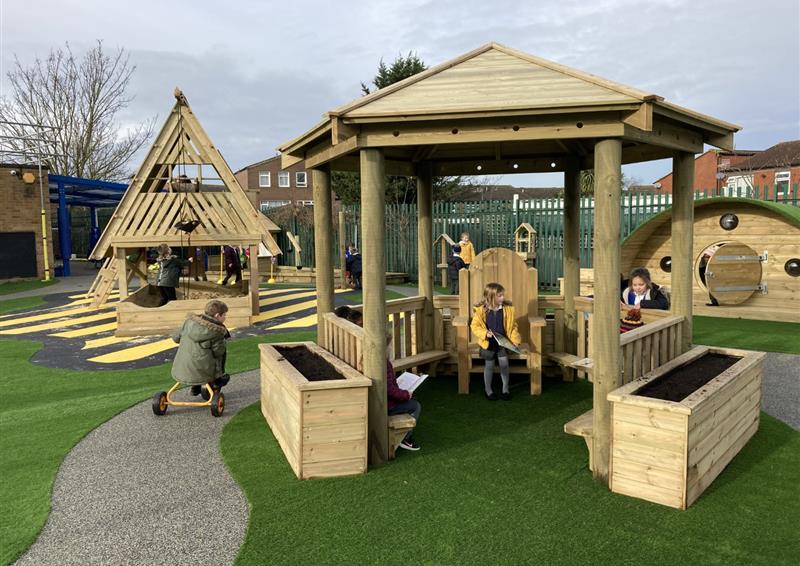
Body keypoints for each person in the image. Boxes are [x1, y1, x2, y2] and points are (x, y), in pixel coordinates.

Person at [334, 305, 420, 451]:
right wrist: (406, 394)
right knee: (415, 405)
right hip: (382, 403)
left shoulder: (355, 351)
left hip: (376, 396)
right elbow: (389, 390)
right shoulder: (380, 363)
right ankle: (406, 438)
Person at [471, 282, 521, 401]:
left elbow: (513, 327)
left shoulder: (507, 310)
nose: (503, 297)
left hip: (502, 342)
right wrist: (485, 333)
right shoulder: (481, 311)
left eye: (503, 295)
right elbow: (475, 326)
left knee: (504, 365)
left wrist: (515, 340)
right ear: (491, 297)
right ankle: (488, 390)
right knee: (489, 366)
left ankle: (505, 389)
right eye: (500, 295)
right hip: (488, 343)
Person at [171, 299, 231, 397]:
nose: (225, 317)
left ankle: (195, 387)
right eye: (224, 315)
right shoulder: (217, 332)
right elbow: (218, 352)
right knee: (219, 356)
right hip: (203, 372)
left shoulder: (188, 322)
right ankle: (218, 379)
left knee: (197, 355)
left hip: (180, 368)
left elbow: (175, 338)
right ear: (217, 316)